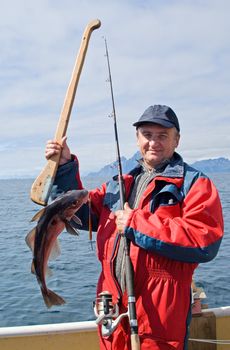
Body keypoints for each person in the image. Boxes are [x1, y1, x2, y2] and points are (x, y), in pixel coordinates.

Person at [45, 104, 224, 350]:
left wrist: (136, 223)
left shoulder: (196, 185)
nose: (154, 142)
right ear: (138, 138)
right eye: (147, 135)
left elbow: (205, 241)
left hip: (159, 317)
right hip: (112, 313)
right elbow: (80, 213)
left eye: (163, 135)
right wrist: (65, 167)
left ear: (177, 140)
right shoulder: (118, 184)